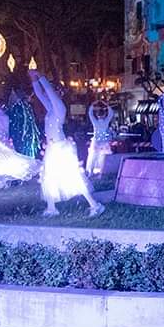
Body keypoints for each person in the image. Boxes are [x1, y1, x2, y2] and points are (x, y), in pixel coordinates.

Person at [30, 71, 104, 217]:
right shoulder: (51, 109)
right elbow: (40, 94)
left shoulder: (60, 108)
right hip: (52, 149)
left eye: (55, 92)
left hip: (61, 149)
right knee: (49, 177)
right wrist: (34, 80)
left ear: (60, 94)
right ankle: (51, 208)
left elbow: (49, 93)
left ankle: (94, 205)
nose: (50, 94)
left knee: (73, 177)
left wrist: (41, 77)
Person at [7, 88, 42, 158]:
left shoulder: (28, 106)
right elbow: (14, 123)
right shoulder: (18, 108)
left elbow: (32, 121)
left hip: (28, 136)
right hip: (22, 136)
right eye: (31, 96)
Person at [86, 101, 115, 176]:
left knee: (93, 157)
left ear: (97, 115)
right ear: (104, 115)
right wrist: (106, 104)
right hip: (104, 142)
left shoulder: (95, 122)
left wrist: (93, 104)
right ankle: (100, 174)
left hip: (96, 142)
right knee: (102, 159)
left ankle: (91, 172)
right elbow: (111, 113)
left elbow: (90, 113)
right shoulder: (106, 122)